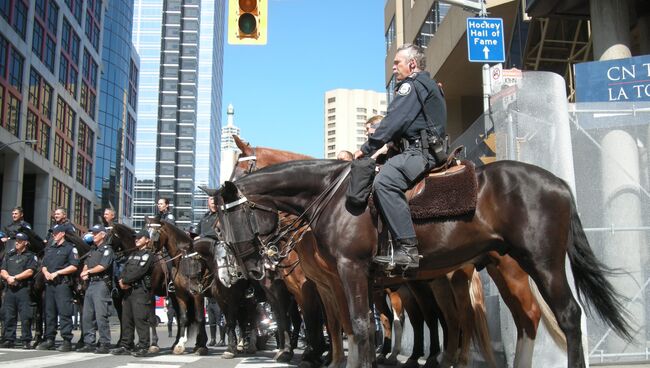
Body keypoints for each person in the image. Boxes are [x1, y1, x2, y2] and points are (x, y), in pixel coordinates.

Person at [354, 43, 447, 268]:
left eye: (397, 63)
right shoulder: (423, 84)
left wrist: (366, 149)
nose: (394, 68)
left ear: (412, 64)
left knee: (384, 182)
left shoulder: (413, 85)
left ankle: (408, 250)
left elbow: (394, 122)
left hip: (420, 152)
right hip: (417, 149)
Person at [110, 229, 154, 357]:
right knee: (126, 319)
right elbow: (125, 269)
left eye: (140, 238)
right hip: (128, 291)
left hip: (140, 290)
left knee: (140, 319)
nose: (137, 239)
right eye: (136, 238)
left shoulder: (148, 255)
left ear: (147, 240)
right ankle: (126, 344)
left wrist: (126, 281)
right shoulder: (132, 254)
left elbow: (141, 271)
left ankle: (143, 346)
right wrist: (121, 280)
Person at [36, 223, 79, 351]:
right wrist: (46, 273)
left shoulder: (70, 248)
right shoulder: (50, 248)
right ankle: (50, 339)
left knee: (64, 312)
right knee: (49, 313)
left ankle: (66, 340)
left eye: (55, 233)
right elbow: (43, 265)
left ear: (62, 234)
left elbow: (74, 266)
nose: (53, 235)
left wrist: (57, 273)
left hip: (62, 284)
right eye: (52, 233)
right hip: (50, 284)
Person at [77, 224, 114, 354]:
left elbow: (103, 266)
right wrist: (84, 271)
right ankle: (89, 342)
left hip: (101, 283)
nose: (93, 235)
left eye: (96, 233)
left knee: (100, 315)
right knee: (87, 315)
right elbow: (86, 263)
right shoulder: (93, 250)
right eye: (93, 233)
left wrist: (88, 272)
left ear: (103, 235)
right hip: (91, 283)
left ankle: (104, 343)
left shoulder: (107, 249)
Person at [0, 232, 37, 349]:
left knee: (26, 316)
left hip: (23, 289)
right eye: (16, 240)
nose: (17, 242)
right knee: (9, 315)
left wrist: (15, 278)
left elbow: (30, 271)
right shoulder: (9, 255)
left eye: (20, 241)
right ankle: (9, 339)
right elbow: (2, 270)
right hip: (10, 289)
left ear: (25, 243)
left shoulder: (31, 256)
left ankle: (26, 340)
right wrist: (8, 278)